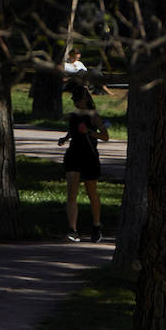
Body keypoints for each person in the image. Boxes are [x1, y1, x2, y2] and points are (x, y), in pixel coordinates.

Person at [58, 84, 109, 242]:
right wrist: (65, 139)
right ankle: (72, 229)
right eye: (74, 100)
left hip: (89, 156)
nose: (76, 103)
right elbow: (71, 131)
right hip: (74, 155)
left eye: (78, 100)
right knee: (72, 192)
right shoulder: (73, 115)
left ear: (86, 99)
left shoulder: (93, 115)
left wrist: (89, 132)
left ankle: (96, 226)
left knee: (91, 192)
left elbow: (105, 136)